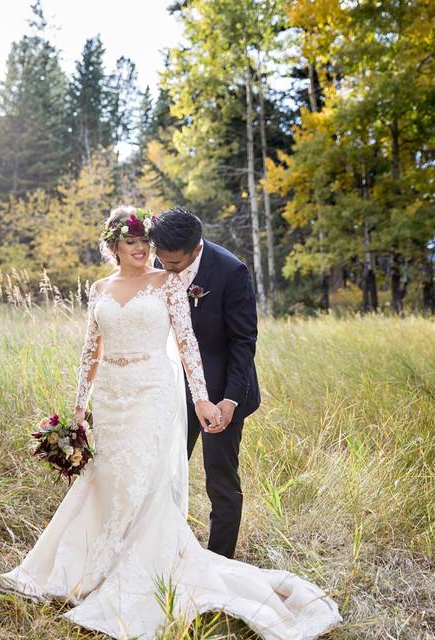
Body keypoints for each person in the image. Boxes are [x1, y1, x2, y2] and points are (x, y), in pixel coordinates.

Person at [0, 205, 341, 640]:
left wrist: (206, 400)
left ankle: (190, 561)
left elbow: (196, 345)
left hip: (164, 392)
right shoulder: (101, 287)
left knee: (181, 478)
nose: (145, 251)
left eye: (147, 244)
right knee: (111, 479)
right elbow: (90, 350)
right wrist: (80, 406)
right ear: (114, 246)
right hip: (114, 395)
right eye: (133, 243)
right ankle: (92, 563)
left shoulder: (189, 280)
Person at [149, 205, 260, 560]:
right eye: (161, 261)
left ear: (196, 249)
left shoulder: (230, 271)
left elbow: (243, 343)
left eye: (175, 265)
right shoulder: (160, 264)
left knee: (220, 478)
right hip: (175, 390)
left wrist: (229, 401)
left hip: (222, 391)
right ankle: (163, 551)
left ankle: (219, 562)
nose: (166, 270)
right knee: (164, 473)